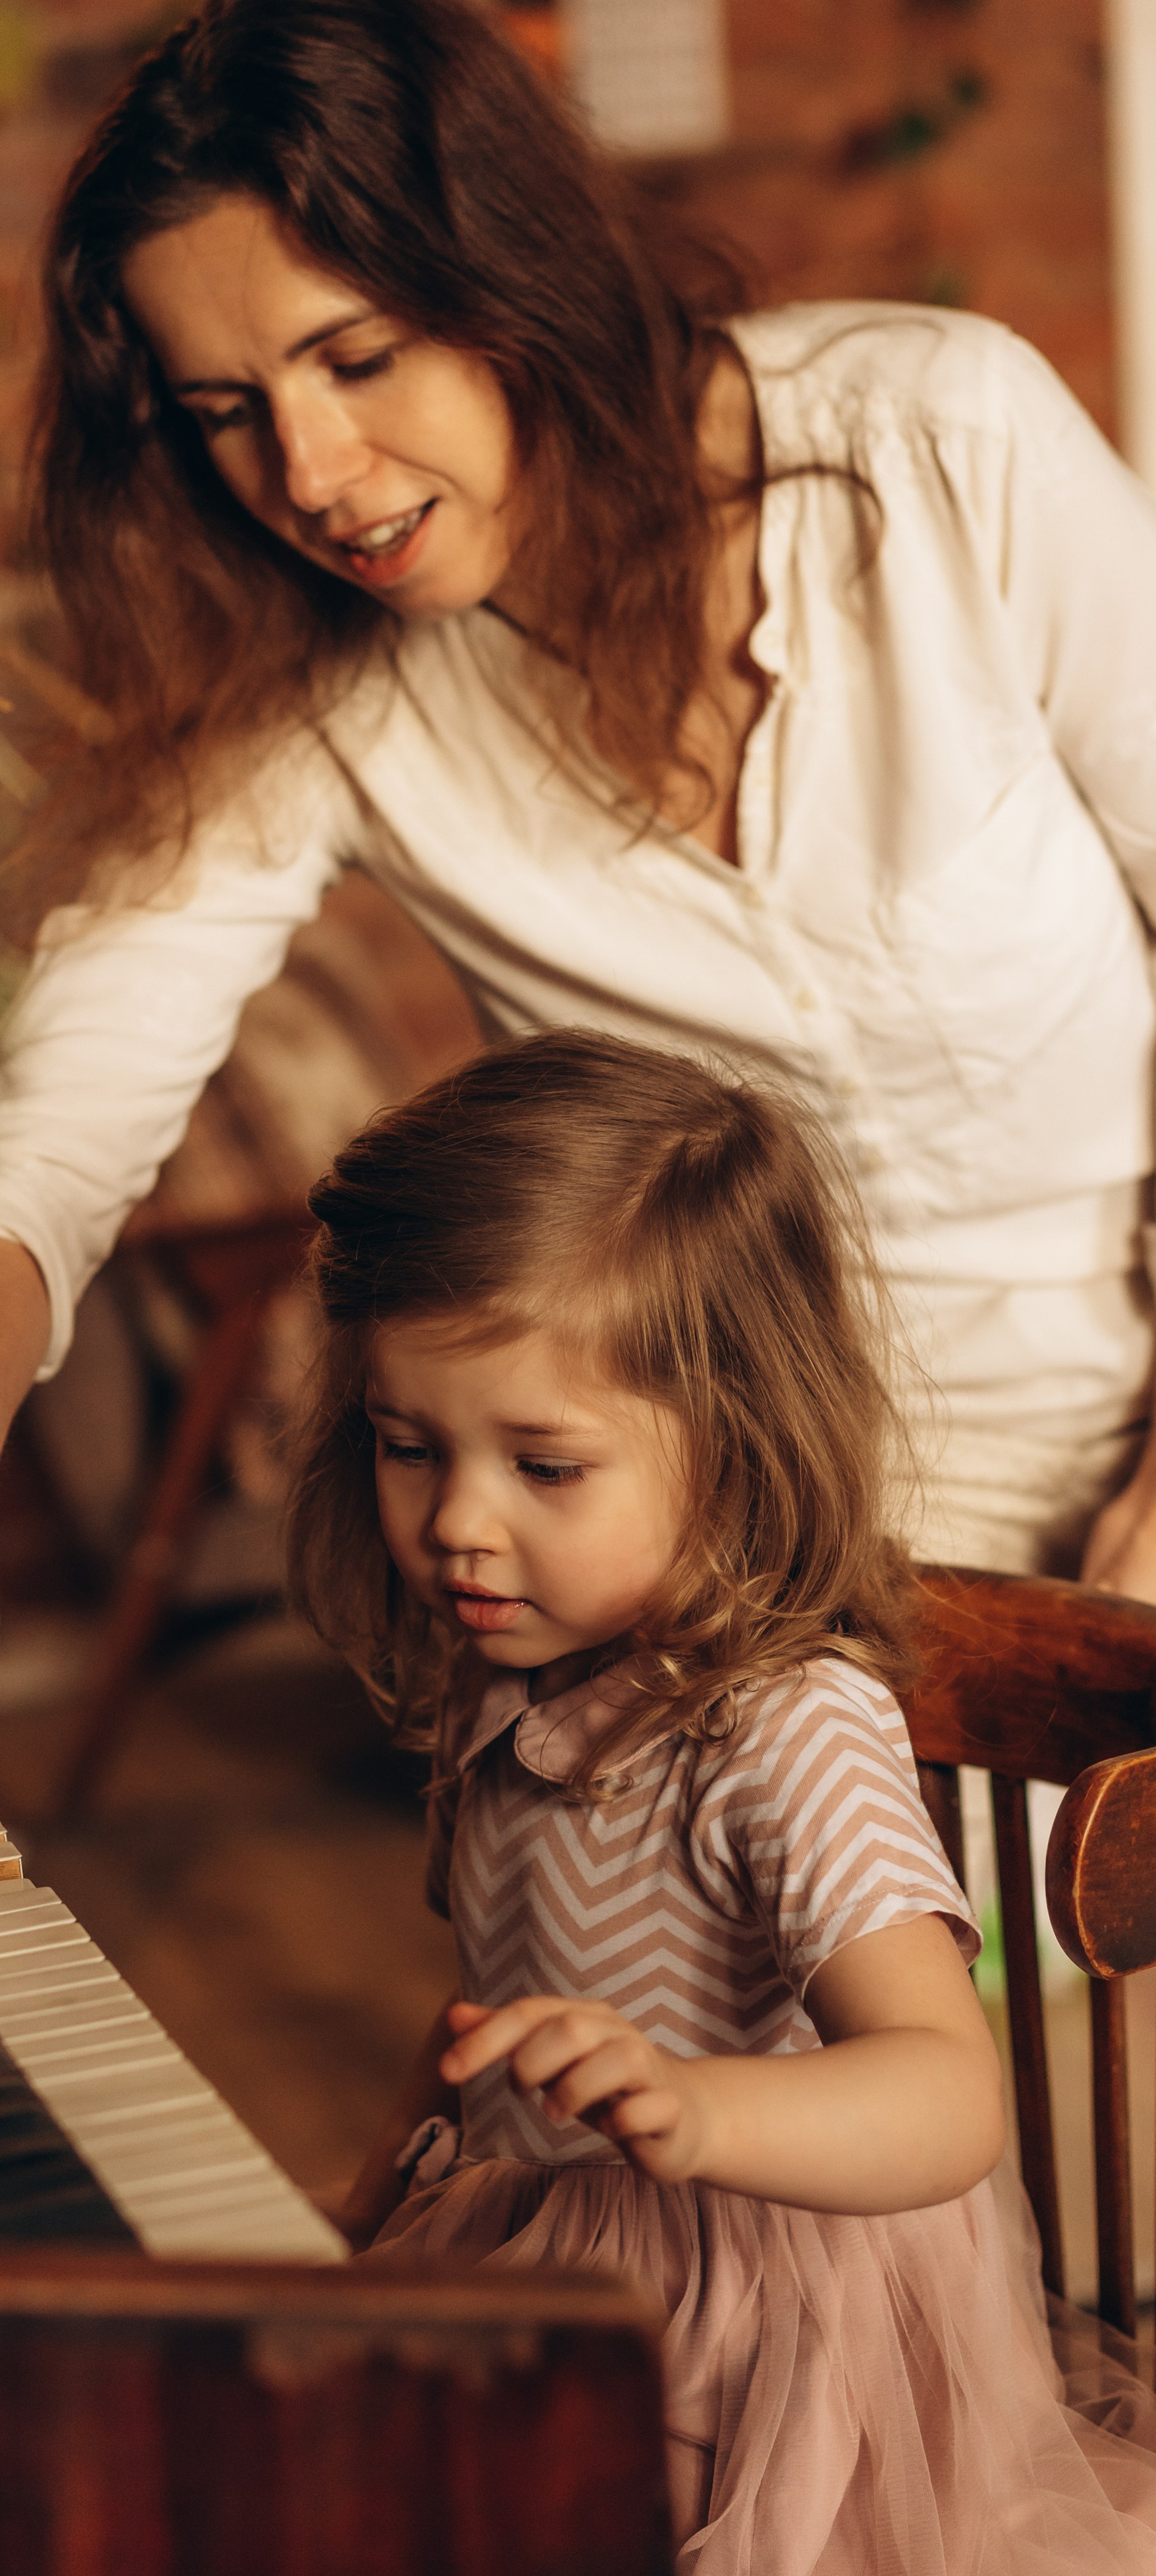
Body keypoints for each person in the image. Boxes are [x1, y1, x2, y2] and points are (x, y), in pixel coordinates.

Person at [0, 0, 1156, 1905]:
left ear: (513, 276)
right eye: (226, 413)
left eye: (359, 355)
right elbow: (43, 1134)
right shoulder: (310, 689)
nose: (315, 472)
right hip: (751, 1553)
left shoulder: (940, 445)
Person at [287, 1027, 1156, 2573]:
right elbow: (497, 2010)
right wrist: (369, 2195)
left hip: (764, 2332)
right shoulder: (505, 1677)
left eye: (544, 1466)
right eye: (407, 1446)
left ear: (733, 1446)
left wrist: (692, 2107)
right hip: (554, 2248)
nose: (457, 1525)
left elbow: (945, 2094)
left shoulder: (783, 1729)